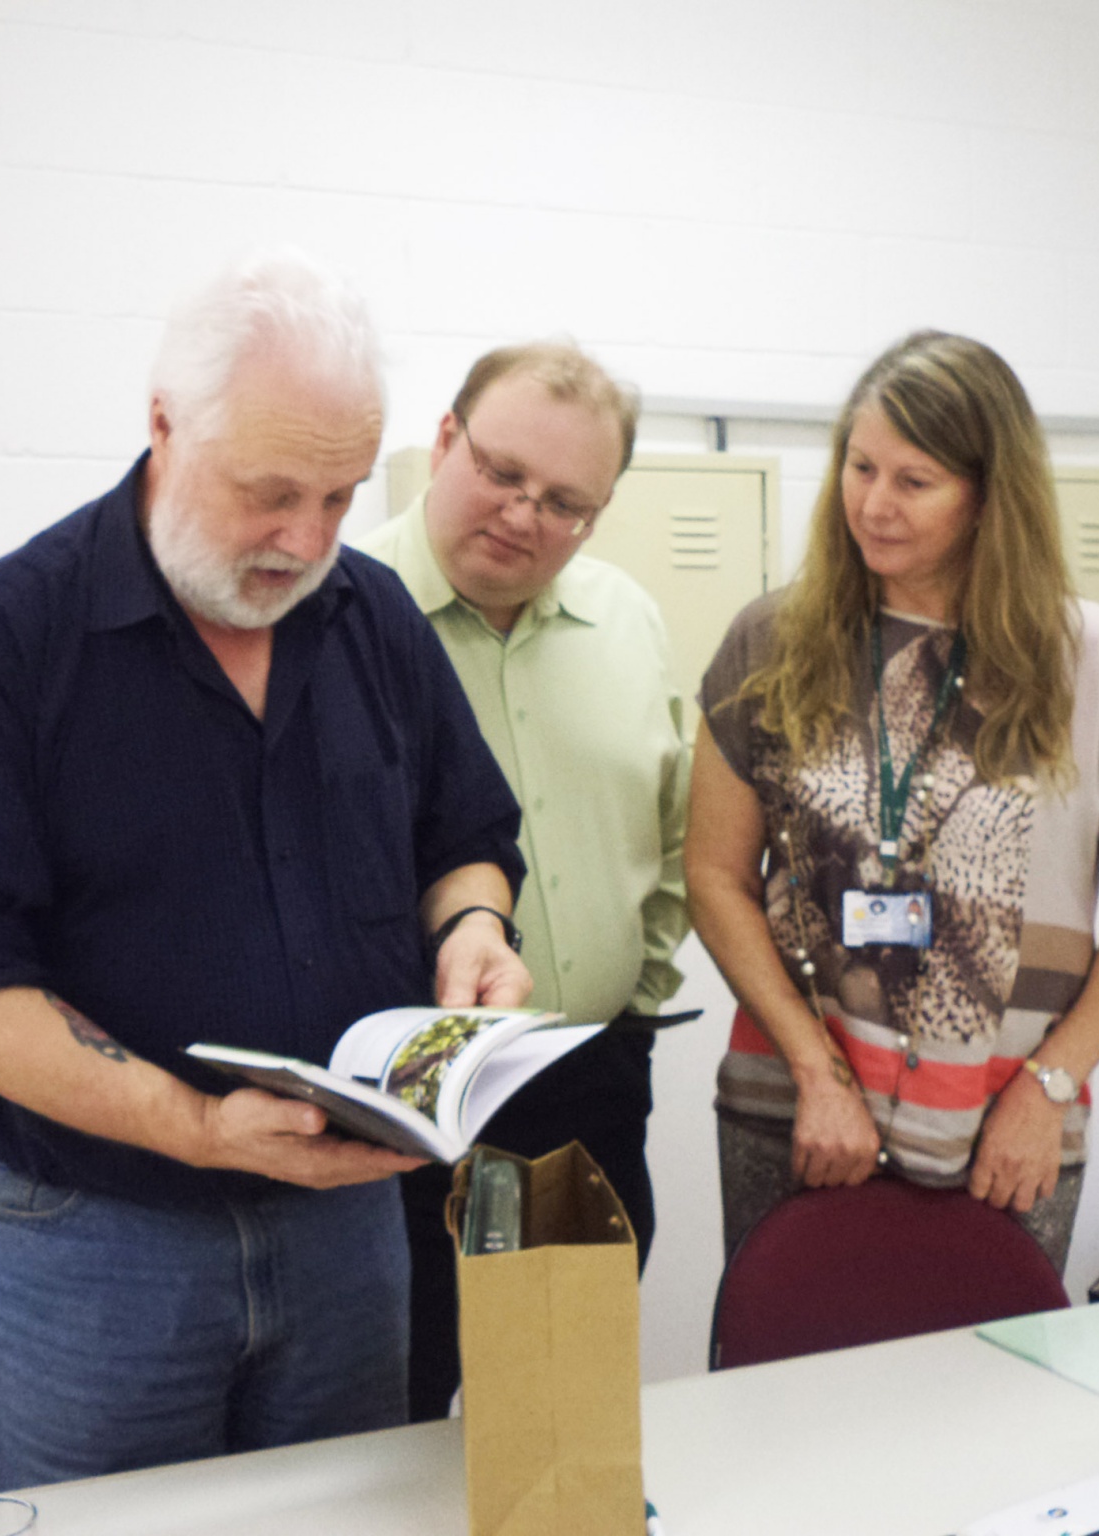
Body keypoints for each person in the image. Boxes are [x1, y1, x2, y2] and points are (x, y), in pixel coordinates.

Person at [0, 252, 532, 1494]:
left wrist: (474, 928)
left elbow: (463, 835)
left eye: (338, 496)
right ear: (163, 423)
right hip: (89, 1236)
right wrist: (197, 1129)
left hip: (340, 1214)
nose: (305, 538)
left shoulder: (372, 618)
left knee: (338, 1522)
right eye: (268, 491)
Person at [686, 329, 1099, 1274]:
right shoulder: (771, 641)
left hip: (1007, 1127)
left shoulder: (1089, 662)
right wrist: (814, 1070)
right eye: (860, 467)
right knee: (786, 1395)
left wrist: (1049, 1089)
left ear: (988, 498)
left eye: (913, 481)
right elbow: (713, 876)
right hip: (799, 1111)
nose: (872, 505)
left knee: (991, 1401)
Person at [356, 341, 690, 1420]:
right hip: (405, 1106)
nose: (521, 514)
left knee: (560, 1409)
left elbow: (675, 833)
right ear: (443, 440)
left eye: (562, 501)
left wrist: (630, 1002)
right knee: (400, 1409)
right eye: (500, 473)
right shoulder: (336, 619)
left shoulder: (625, 621)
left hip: (587, 1084)